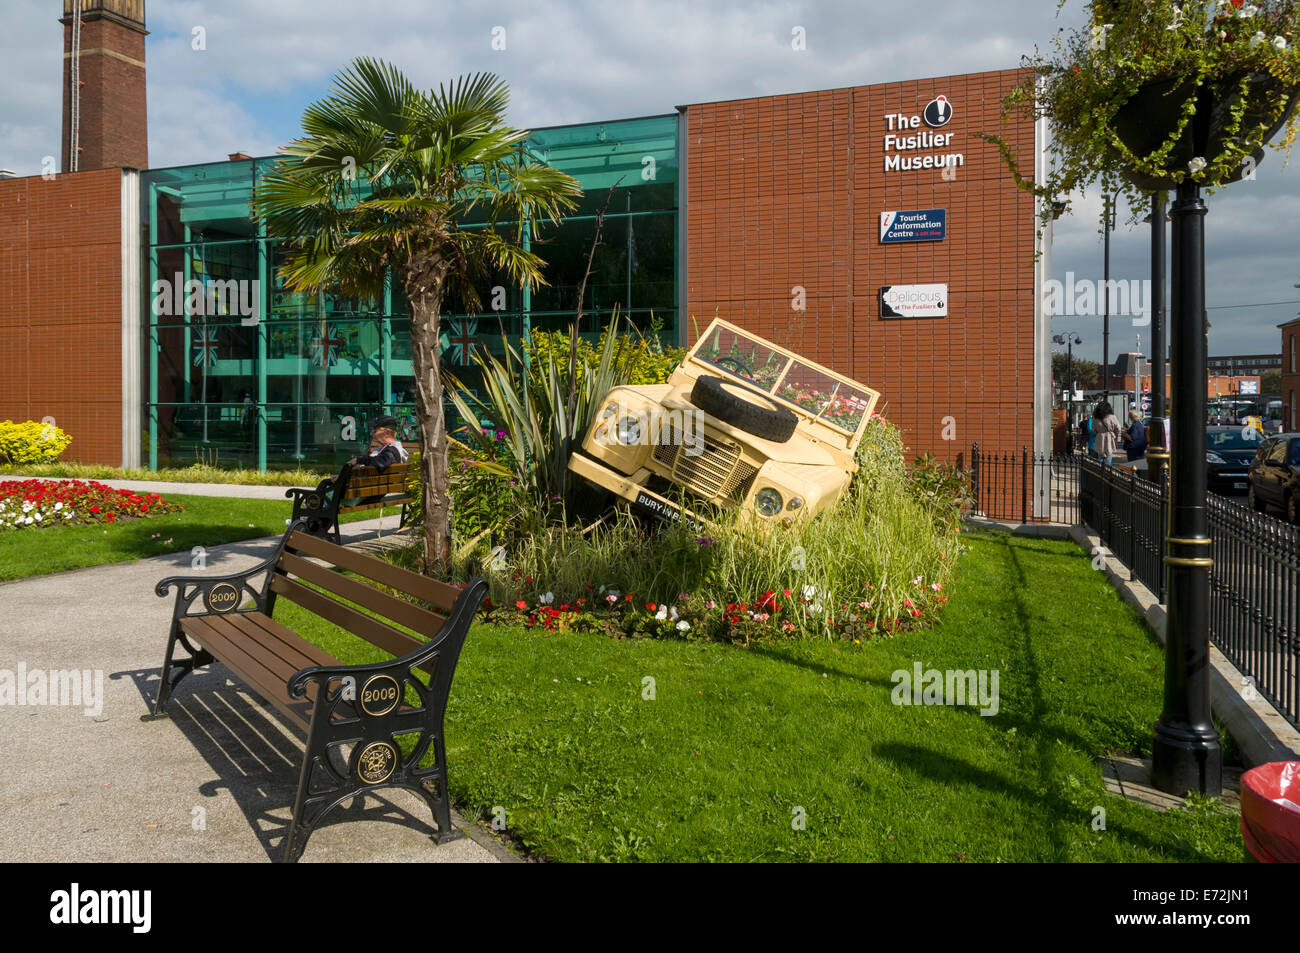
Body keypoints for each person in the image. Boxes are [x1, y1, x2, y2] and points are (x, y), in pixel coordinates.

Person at [1093, 401, 1122, 466]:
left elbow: (1093, 429)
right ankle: (1107, 473)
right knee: (1108, 458)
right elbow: (1118, 428)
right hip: (1109, 437)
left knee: (1100, 458)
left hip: (1099, 438)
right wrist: (1114, 434)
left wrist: (1100, 431)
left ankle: (1100, 473)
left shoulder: (1095, 417)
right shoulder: (1112, 416)